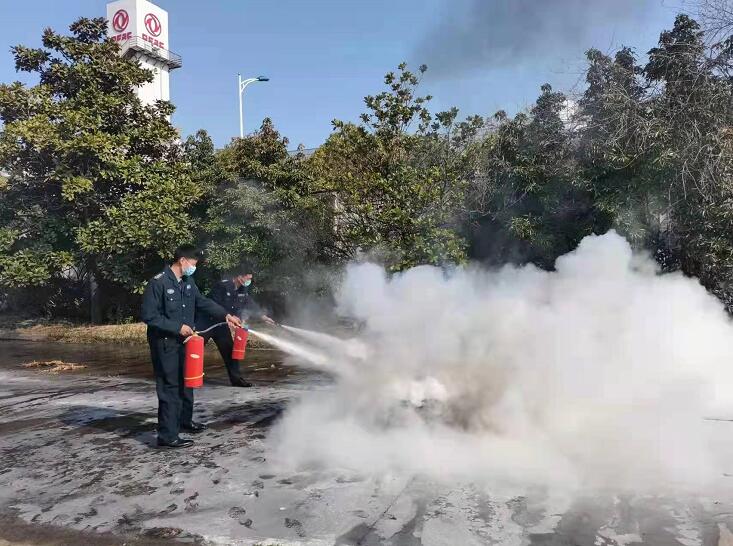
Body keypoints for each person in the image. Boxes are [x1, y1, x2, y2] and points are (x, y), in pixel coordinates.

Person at [141, 245, 242, 449]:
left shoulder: (188, 282)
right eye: (193, 263)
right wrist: (177, 327)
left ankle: (184, 421)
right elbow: (149, 316)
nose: (194, 267)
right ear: (182, 260)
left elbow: (202, 302)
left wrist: (226, 315)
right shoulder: (158, 282)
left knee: (187, 383)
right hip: (165, 343)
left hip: (185, 342)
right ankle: (167, 436)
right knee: (170, 386)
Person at [196, 266, 275, 387]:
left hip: (221, 326)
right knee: (194, 349)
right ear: (239, 276)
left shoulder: (243, 290)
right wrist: (228, 316)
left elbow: (249, 303)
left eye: (250, 279)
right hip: (207, 323)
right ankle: (184, 377)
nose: (249, 281)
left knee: (229, 351)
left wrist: (263, 317)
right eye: (247, 278)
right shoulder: (222, 286)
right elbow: (214, 305)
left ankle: (237, 380)